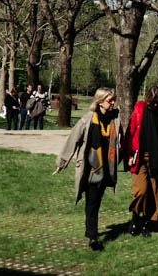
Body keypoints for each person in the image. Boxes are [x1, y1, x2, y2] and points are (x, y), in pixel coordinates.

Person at [55, 88, 122, 251]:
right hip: (91, 168)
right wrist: (62, 162)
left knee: (95, 200)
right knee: (92, 199)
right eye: (110, 100)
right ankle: (93, 237)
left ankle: (88, 228)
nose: (113, 103)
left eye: (114, 99)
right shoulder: (87, 120)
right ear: (100, 101)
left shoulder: (115, 120)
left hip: (106, 168)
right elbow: (73, 140)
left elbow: (121, 143)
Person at [124, 86, 158, 238]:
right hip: (140, 157)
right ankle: (134, 218)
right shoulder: (139, 109)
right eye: (152, 103)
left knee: (154, 193)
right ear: (147, 100)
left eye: (157, 103)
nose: (155, 105)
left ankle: (146, 223)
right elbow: (131, 132)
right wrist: (129, 155)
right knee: (140, 190)